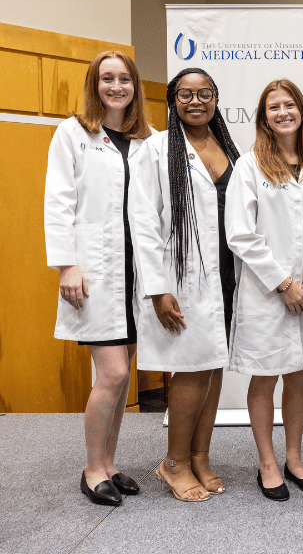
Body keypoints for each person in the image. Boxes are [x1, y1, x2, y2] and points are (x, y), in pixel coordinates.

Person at [44, 51, 152, 506]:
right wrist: (66, 264)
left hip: (136, 271)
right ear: (94, 83)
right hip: (94, 270)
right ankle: (92, 470)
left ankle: (110, 463)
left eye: (124, 78)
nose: (116, 86)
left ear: (135, 86)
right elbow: (58, 201)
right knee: (112, 373)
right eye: (107, 78)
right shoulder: (72, 133)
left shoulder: (147, 139)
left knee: (123, 378)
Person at [130, 67, 240, 502]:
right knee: (191, 367)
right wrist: (157, 288)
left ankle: (200, 455)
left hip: (227, 274)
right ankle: (174, 461)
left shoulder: (227, 147)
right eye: (186, 94)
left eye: (205, 93)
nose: (196, 102)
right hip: (183, 277)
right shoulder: (156, 150)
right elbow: (142, 222)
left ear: (216, 98)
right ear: (173, 101)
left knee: (212, 365)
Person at [225, 79, 303, 501]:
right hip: (268, 292)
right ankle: (268, 462)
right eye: (274, 107)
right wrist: (285, 284)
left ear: (301, 111)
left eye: (289, 105)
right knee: (265, 378)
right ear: (263, 117)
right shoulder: (249, 166)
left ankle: (295, 457)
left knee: (298, 376)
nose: (283, 112)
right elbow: (240, 234)